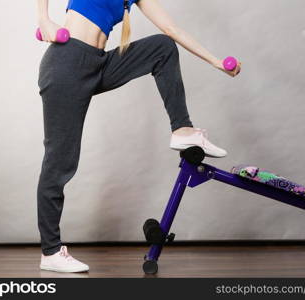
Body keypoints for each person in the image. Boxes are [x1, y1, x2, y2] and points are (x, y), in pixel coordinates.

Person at [36, 0, 241, 273]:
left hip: (99, 64)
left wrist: (217, 63)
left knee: (162, 46)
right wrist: (44, 19)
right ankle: (50, 251)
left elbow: (171, 28)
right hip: (66, 64)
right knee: (60, 163)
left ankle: (182, 129)